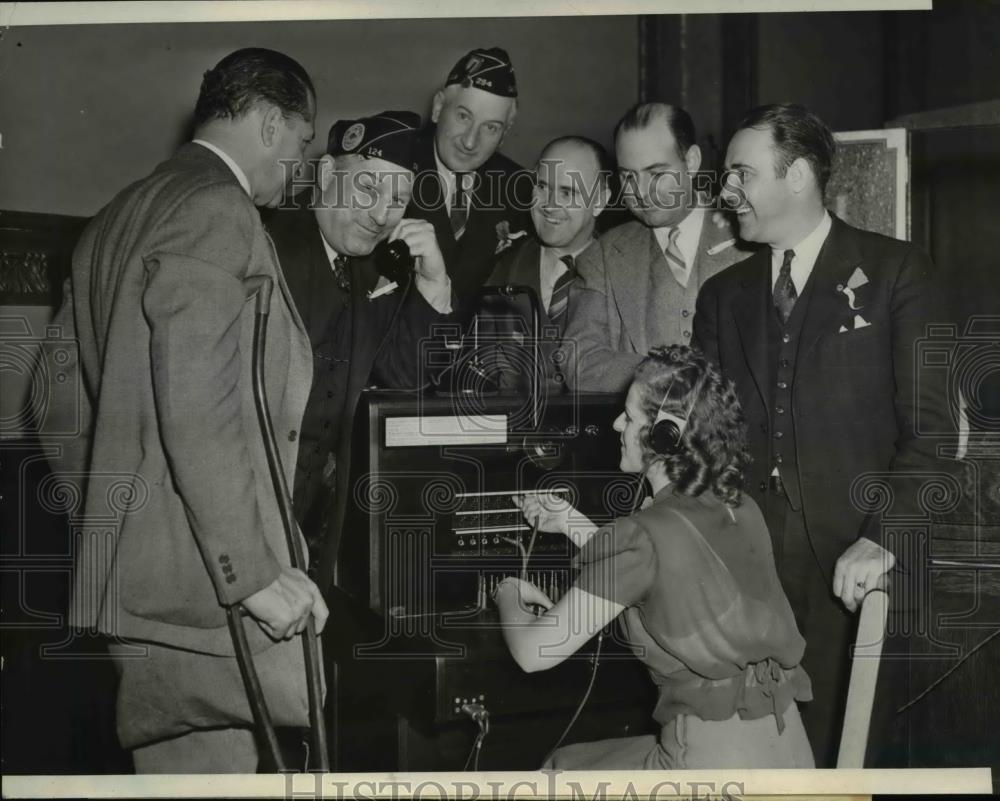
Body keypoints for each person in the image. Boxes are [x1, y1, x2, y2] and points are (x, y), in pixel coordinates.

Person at [35, 48, 328, 772]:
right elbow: (200, 403)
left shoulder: (114, 216)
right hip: (212, 590)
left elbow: (53, 392)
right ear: (268, 122)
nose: (299, 165)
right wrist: (256, 573)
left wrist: (121, 522)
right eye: (302, 140)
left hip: (138, 586)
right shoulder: (216, 209)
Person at [693, 103, 948, 766]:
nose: (726, 192)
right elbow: (707, 438)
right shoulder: (722, 295)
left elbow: (933, 432)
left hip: (858, 570)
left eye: (742, 174)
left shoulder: (896, 271)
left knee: (855, 756)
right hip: (748, 583)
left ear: (799, 175)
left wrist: (881, 538)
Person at [494, 345, 814, 769]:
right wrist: (571, 523)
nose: (616, 424)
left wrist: (509, 593)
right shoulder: (738, 508)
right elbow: (673, 567)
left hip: (707, 767)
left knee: (555, 772)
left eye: (629, 417)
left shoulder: (644, 536)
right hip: (788, 756)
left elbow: (534, 653)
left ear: (665, 436)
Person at [266, 110, 454, 588]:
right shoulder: (265, 248)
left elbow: (400, 385)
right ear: (326, 174)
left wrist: (434, 286)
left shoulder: (376, 272)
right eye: (368, 189)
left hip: (318, 530)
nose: (380, 213)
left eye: (398, 199)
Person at [561, 103, 752, 393]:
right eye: (628, 176)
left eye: (657, 173)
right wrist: (665, 376)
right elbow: (579, 360)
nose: (641, 192)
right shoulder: (602, 255)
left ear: (691, 161)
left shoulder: (751, 236)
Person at [481, 135, 611, 393]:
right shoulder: (501, 265)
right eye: (542, 186)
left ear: (599, 201)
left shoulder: (621, 274)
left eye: (567, 192)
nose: (550, 205)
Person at [406, 47, 533, 306]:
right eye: (463, 116)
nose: (470, 141)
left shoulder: (518, 187)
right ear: (439, 107)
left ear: (505, 133)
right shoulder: (393, 167)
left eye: (490, 127)